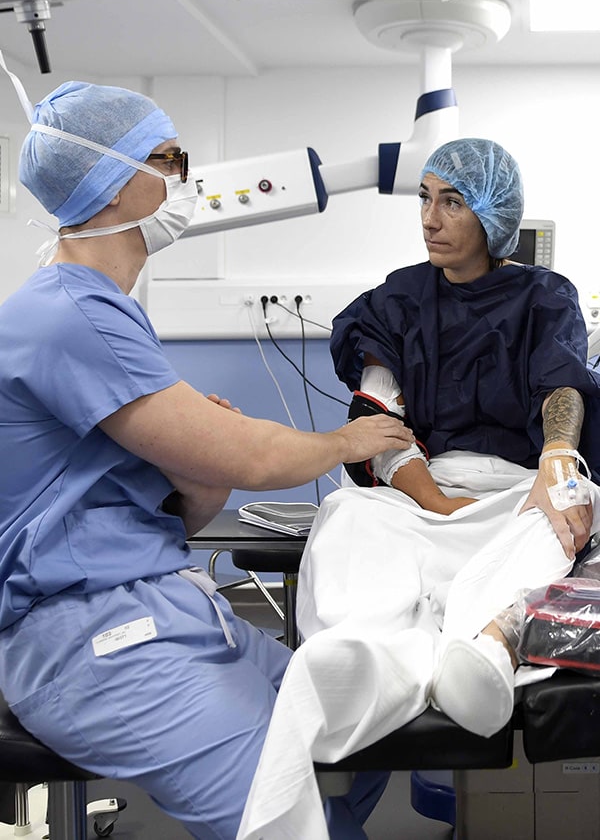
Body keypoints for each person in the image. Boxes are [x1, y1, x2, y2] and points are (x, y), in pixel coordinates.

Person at [0, 75, 415, 839]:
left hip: (167, 608)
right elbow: (256, 458)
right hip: (97, 644)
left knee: (361, 711)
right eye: (171, 158)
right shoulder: (65, 315)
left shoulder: (108, 318)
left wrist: (199, 459)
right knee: (281, 824)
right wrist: (347, 441)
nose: (187, 178)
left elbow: (190, 507)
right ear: (119, 182)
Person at [235, 138, 600, 840]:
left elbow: (563, 384)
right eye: (424, 198)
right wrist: (433, 502)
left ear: (493, 218)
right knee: (344, 512)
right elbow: (381, 416)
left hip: (517, 490)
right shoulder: (399, 298)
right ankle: (369, 654)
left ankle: (487, 645)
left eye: (452, 201)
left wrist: (558, 456)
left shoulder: (542, 296)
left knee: (569, 513)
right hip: (420, 490)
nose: (430, 218)